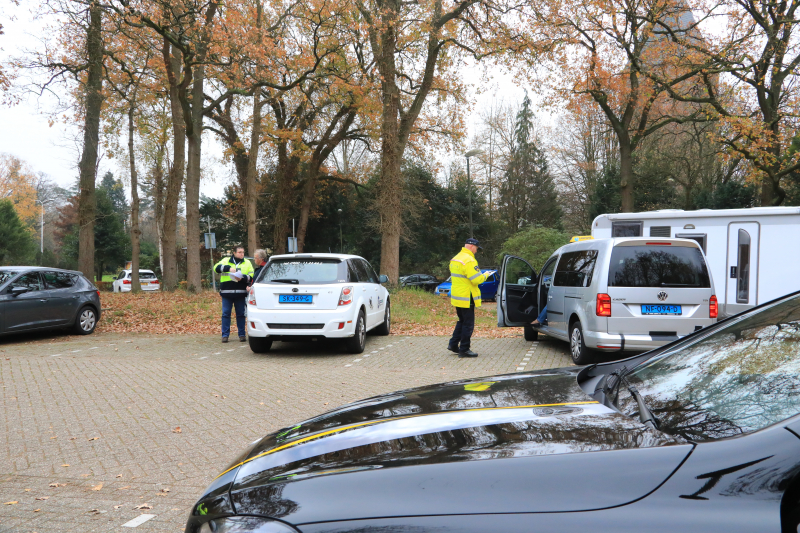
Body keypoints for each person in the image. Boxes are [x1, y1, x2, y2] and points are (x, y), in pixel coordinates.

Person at [447, 238, 492, 358]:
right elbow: (476, 280)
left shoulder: (456, 258)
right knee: (468, 324)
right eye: (476, 248)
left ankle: (453, 344)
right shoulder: (469, 260)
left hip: (457, 296)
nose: (476, 251)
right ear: (472, 247)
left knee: (461, 321)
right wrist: (486, 275)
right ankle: (464, 349)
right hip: (467, 297)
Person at [214, 246, 254, 343]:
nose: (241, 254)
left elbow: (251, 276)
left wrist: (242, 278)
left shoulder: (247, 262)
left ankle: (242, 335)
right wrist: (228, 268)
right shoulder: (226, 260)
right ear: (234, 253)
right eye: (239, 252)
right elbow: (216, 268)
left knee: (241, 315)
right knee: (226, 314)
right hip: (227, 293)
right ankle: (225, 335)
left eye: (243, 252)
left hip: (240, 293)